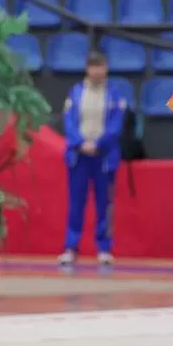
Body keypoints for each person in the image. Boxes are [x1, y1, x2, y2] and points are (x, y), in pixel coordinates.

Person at [58, 52, 127, 267]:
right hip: (79, 156)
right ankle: (71, 248)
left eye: (100, 66)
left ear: (106, 67)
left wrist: (98, 144)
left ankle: (104, 249)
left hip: (103, 157)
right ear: (87, 68)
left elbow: (116, 125)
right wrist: (80, 143)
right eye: (93, 66)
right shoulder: (76, 93)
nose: (96, 71)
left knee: (104, 204)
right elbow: (69, 122)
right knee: (76, 203)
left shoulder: (114, 95)